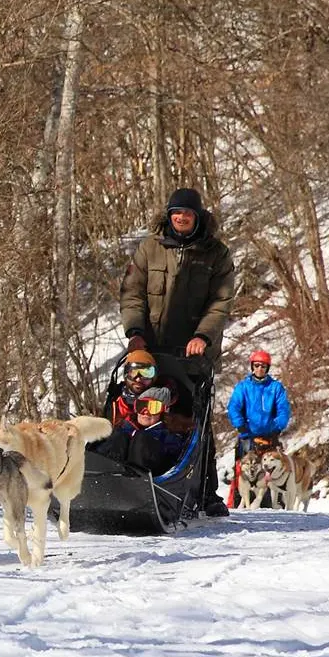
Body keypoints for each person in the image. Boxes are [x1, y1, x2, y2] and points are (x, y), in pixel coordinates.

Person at [120, 188, 236, 517]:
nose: (180, 218)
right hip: (150, 349)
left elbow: (221, 303)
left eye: (186, 213)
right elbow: (132, 294)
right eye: (175, 213)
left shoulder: (216, 254)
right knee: (133, 404)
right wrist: (135, 333)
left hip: (193, 353)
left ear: (197, 217)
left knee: (193, 416)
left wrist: (203, 336)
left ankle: (205, 490)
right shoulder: (149, 248)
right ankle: (121, 470)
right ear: (168, 215)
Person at [225, 350, 291, 507]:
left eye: (263, 366)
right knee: (243, 471)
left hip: (269, 435)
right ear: (252, 366)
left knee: (272, 470)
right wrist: (241, 426)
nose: (259, 369)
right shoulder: (243, 387)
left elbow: (283, 409)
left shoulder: (275, 388)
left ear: (267, 368)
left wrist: (277, 428)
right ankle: (238, 502)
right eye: (256, 365)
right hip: (248, 436)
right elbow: (234, 407)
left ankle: (272, 502)